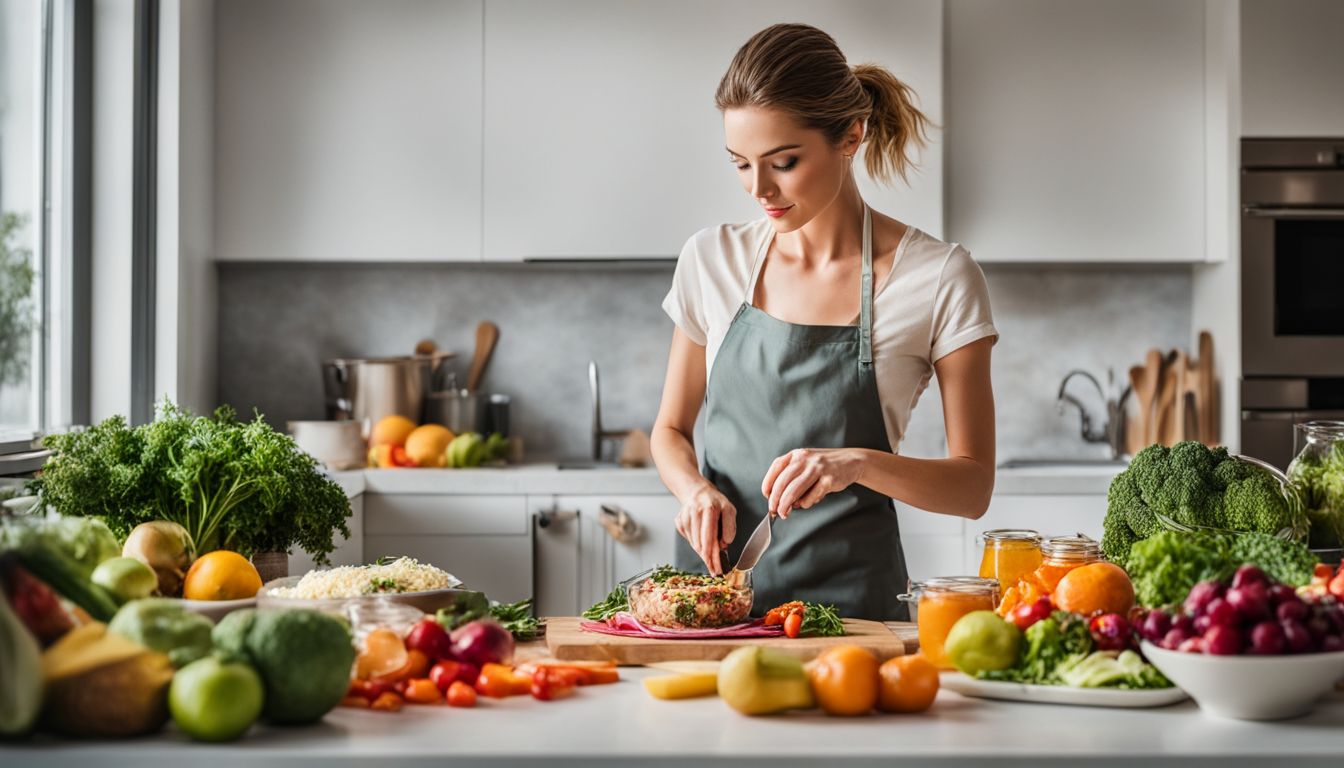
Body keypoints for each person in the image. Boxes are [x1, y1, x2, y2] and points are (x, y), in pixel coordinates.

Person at [651, 23, 998, 621]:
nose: (759, 189)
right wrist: (694, 490)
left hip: (855, 619)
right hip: (711, 610)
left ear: (851, 135)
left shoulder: (938, 277)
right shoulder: (711, 259)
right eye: (740, 164)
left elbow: (973, 489)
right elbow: (670, 432)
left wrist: (857, 463)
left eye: (784, 162)